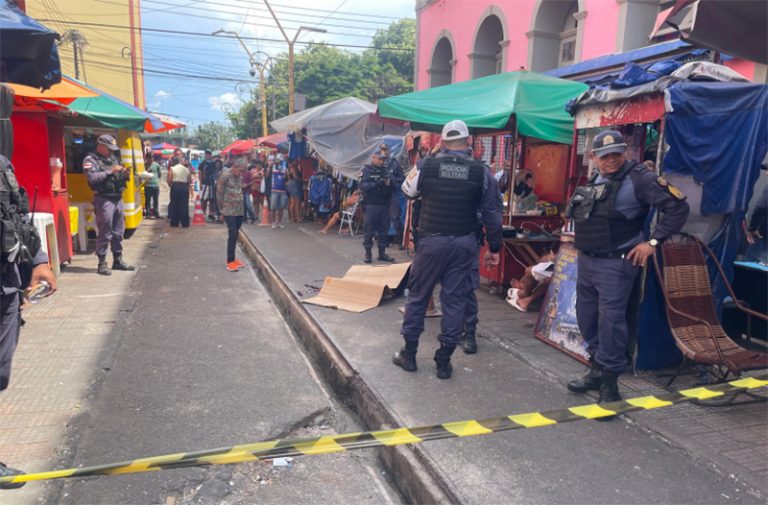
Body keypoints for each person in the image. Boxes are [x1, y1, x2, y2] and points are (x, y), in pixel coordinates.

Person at [566, 129, 689, 413]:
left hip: (616, 263)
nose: (611, 159)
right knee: (587, 318)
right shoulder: (596, 178)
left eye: (616, 154)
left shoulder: (639, 177)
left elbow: (677, 207)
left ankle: (610, 384)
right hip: (587, 261)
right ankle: (596, 369)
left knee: (611, 322)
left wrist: (653, 242)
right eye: (604, 155)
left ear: (626, 153)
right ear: (594, 157)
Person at [395, 119, 502, 379]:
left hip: (431, 242)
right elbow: (493, 214)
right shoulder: (481, 172)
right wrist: (494, 247)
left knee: (419, 296)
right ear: (468, 142)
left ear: (442, 142)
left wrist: (427, 159)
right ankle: (443, 361)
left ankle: (409, 354)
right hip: (464, 245)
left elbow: (407, 191)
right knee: (454, 301)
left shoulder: (427, 165)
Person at [0, 155, 58, 488]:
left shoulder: (3, 165)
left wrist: (38, 261)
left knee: (1, 371)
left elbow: (16, 214)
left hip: (6, 286)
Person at [82, 134, 135, 276]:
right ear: (101, 146)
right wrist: (111, 171)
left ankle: (117, 260)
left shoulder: (112, 158)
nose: (111, 151)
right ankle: (102, 263)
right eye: (109, 148)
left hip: (117, 198)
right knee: (105, 231)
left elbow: (120, 177)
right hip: (103, 199)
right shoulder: (90, 160)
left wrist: (124, 173)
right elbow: (92, 178)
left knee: (119, 231)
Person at [360, 153, 395, 264]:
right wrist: (378, 183)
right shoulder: (366, 170)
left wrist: (390, 182)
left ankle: (382, 253)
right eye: (379, 159)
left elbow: (396, 185)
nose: (381, 162)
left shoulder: (386, 171)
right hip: (371, 204)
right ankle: (368, 253)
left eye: (383, 160)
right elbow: (363, 186)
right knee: (369, 230)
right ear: (373, 158)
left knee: (383, 230)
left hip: (384, 204)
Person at [217, 159, 246, 272]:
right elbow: (219, 194)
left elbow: (239, 190)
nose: (241, 173)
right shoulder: (225, 176)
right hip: (228, 209)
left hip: (239, 209)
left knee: (236, 233)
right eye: (240, 170)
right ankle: (230, 261)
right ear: (235, 166)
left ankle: (233, 259)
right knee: (232, 232)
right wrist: (221, 210)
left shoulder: (239, 177)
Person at [380, 143, 405, 247]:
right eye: (382, 149)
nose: (384, 151)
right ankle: (384, 239)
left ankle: (399, 239)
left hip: (393, 193)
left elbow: (402, 178)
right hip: (381, 194)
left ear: (389, 150)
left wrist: (392, 179)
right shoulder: (377, 163)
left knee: (395, 216)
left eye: (385, 149)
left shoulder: (394, 163)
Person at [267, 154, 288, 229]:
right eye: (278, 160)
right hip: (274, 190)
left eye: (281, 160)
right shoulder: (273, 166)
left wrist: (286, 174)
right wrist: (269, 166)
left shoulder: (284, 167)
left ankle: (279, 222)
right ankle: (273, 223)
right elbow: (267, 175)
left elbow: (286, 178)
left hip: (282, 190)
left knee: (281, 208)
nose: (279, 162)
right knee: (273, 207)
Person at [199, 150, 218, 221]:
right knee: (204, 199)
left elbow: (216, 172)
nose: (207, 155)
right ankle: (202, 213)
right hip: (205, 183)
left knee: (212, 200)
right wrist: (200, 183)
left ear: (210, 155)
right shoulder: (202, 163)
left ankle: (211, 214)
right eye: (206, 154)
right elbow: (200, 174)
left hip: (212, 183)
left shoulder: (214, 163)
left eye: (208, 154)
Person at [143, 153, 162, 219]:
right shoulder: (144, 165)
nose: (150, 160)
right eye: (148, 158)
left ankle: (156, 213)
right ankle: (148, 213)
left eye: (151, 158)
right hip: (147, 185)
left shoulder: (156, 165)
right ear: (146, 158)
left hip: (155, 185)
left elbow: (159, 174)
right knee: (147, 200)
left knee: (155, 200)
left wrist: (155, 179)